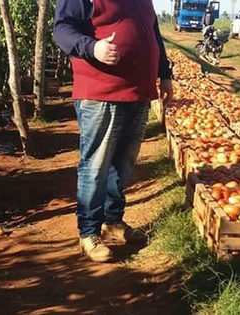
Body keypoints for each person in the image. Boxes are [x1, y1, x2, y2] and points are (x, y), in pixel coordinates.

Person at [54, 0, 173, 262]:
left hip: (139, 91)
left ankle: (113, 221)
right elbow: (62, 29)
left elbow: (152, 31)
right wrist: (93, 47)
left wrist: (165, 73)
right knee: (96, 165)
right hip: (101, 92)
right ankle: (88, 233)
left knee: (123, 163)